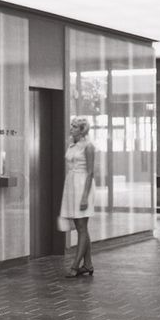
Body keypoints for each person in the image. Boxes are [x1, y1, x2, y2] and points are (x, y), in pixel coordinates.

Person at [59, 116, 97, 278]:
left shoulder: (88, 146)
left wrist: (84, 197)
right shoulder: (72, 144)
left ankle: (75, 266)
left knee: (82, 227)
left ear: (82, 130)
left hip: (82, 185)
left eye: (75, 127)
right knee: (81, 227)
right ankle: (87, 264)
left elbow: (90, 172)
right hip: (71, 185)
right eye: (71, 126)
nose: (71, 128)